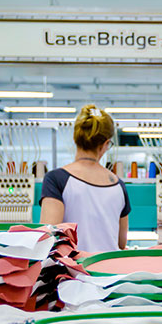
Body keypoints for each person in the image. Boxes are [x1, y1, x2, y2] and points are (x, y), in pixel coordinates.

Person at [40, 104, 130, 252]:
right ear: (106, 144)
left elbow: (48, 237)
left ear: (75, 137)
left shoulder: (56, 179)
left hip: (74, 267)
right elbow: (121, 242)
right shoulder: (118, 185)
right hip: (108, 266)